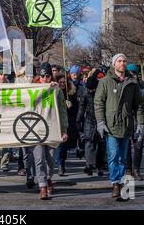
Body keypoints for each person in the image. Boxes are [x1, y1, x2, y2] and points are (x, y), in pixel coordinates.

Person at [94, 53, 144, 199]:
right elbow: (98, 103)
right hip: (111, 126)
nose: (122, 63)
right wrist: (100, 122)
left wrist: (140, 123)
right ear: (114, 64)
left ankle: (122, 183)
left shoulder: (132, 82)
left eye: (124, 61)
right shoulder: (105, 81)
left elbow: (138, 105)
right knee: (113, 155)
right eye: (120, 61)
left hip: (126, 125)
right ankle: (115, 183)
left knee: (122, 157)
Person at [33, 62, 69, 200]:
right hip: (35, 130)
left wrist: (64, 129)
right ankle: (42, 187)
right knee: (38, 158)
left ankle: (48, 178)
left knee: (51, 160)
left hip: (53, 129)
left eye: (47, 76)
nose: (44, 79)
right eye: (42, 76)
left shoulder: (57, 91)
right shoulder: (31, 89)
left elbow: (62, 111)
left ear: (50, 76)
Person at [76, 73, 105, 177]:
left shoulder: (101, 93)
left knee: (101, 145)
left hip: (101, 120)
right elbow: (81, 107)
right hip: (89, 119)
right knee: (89, 143)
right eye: (89, 89)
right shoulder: (85, 93)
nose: (90, 91)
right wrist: (78, 120)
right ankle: (89, 165)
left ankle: (99, 166)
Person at [125, 64, 144, 181]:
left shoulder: (142, 87)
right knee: (126, 147)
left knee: (139, 147)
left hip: (139, 121)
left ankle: (136, 170)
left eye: (134, 73)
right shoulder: (124, 86)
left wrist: (139, 106)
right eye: (129, 73)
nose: (132, 76)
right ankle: (128, 170)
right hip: (126, 121)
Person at [55, 74, 79, 176]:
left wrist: (71, 105)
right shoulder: (54, 93)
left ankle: (62, 161)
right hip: (57, 122)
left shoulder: (71, 93)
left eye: (63, 82)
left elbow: (76, 109)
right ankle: (60, 165)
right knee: (60, 145)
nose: (62, 84)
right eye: (60, 82)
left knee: (65, 145)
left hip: (68, 122)